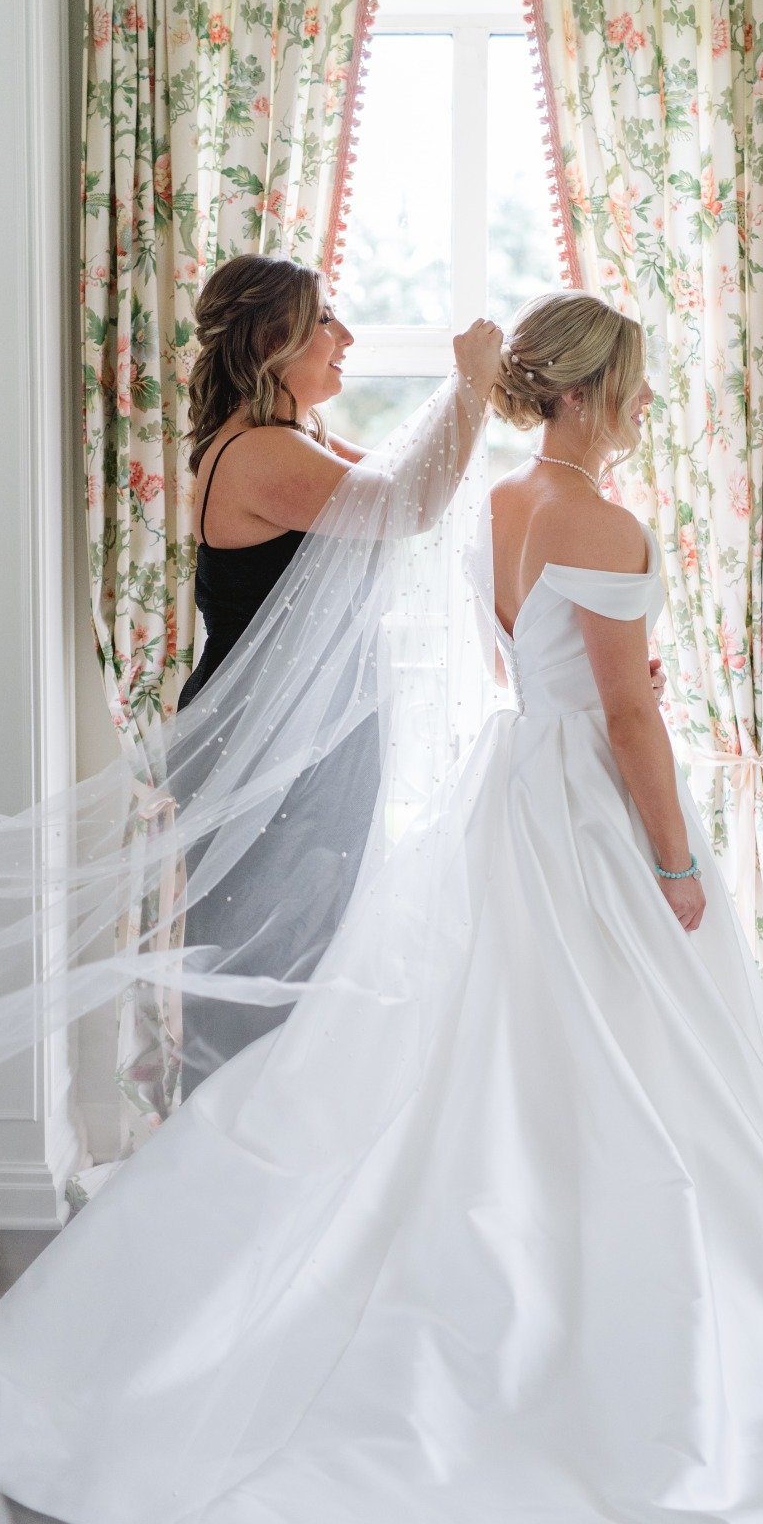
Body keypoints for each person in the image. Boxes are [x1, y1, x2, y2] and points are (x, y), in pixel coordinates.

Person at [0, 287, 763, 1524]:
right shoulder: (602, 517)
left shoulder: (505, 507)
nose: (641, 409)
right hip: (579, 802)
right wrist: (679, 862)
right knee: (603, 1040)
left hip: (512, 785)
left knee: (483, 1039)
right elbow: (630, 720)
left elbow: (527, 653)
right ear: (594, 391)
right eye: (631, 387)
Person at [168, 255, 504, 1093]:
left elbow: (405, 484)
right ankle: (232, 1176)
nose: (345, 336)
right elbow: (404, 504)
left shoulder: (295, 439)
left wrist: (474, 396)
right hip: (265, 746)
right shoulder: (255, 454)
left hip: (303, 742)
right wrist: (469, 387)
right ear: (272, 343)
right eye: (325, 321)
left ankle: (289, 1168)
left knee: (308, 956)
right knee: (268, 966)